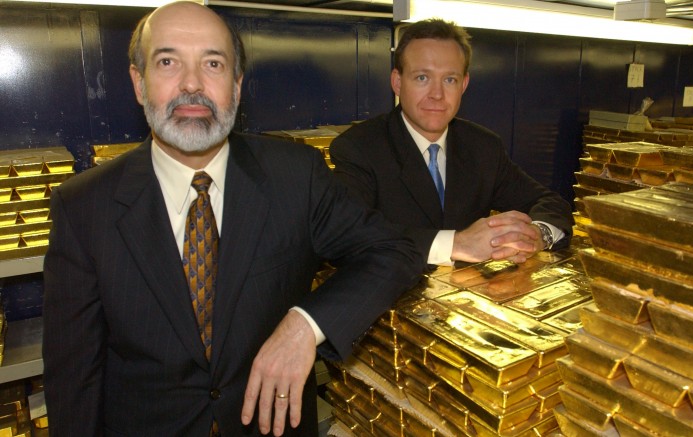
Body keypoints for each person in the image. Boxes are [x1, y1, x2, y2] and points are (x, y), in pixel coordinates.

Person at [42, 2, 423, 436]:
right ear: (138, 83)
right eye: (167, 62)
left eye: (213, 64)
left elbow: (394, 250)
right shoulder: (83, 207)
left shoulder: (296, 176)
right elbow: (74, 382)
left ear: (237, 86)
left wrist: (305, 325)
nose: (192, 84)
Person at [330, 19, 574, 267]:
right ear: (397, 82)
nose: (437, 94)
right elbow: (348, 233)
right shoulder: (359, 148)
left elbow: (550, 203)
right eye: (422, 77)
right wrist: (456, 244)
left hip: (467, 289)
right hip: (391, 287)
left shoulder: (483, 147)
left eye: (449, 80)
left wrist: (537, 235)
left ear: (464, 85)